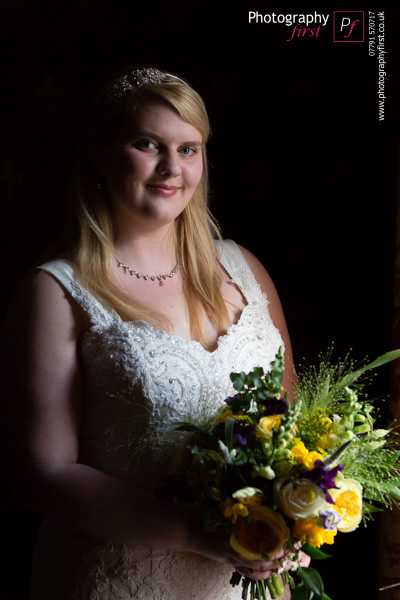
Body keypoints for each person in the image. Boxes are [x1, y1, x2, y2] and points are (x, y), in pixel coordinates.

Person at [1, 67, 304, 599]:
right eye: (148, 144)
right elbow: (41, 473)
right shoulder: (56, 291)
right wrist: (201, 533)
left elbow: (291, 416)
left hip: (245, 580)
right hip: (122, 581)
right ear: (99, 151)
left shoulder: (243, 268)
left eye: (189, 149)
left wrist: (294, 515)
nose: (172, 168)